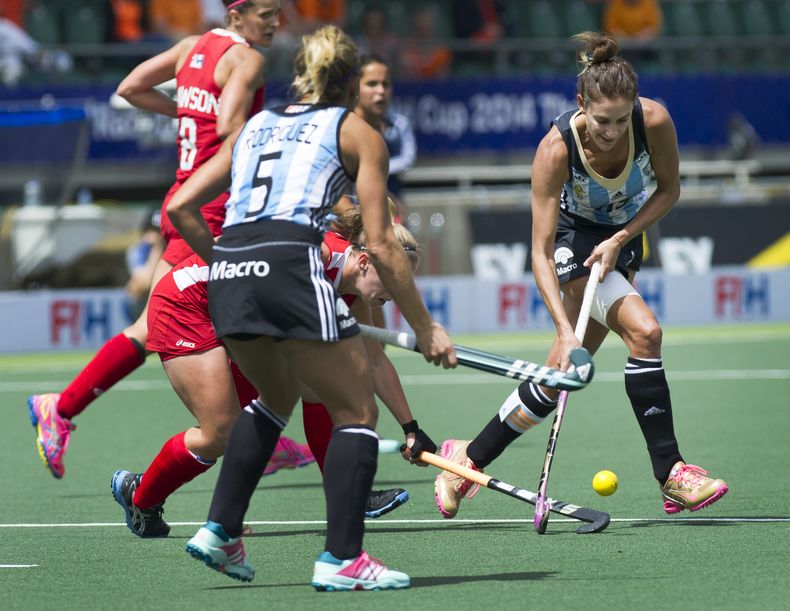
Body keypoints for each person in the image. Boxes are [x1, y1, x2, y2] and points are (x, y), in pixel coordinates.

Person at [167, 25, 455, 590]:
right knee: (354, 412)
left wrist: (229, 261)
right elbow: (382, 243)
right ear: (349, 83)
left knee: (275, 398)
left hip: (228, 270)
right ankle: (343, 559)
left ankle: (221, 531)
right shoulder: (357, 131)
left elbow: (180, 206)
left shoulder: (254, 125)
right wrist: (426, 327)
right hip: (290, 265)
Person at [432, 31, 728, 520]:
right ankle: (671, 473)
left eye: (619, 120)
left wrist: (621, 239)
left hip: (623, 236)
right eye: (600, 120)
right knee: (645, 332)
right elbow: (540, 253)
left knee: (559, 377)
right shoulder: (555, 149)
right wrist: (566, 330)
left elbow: (669, 191)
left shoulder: (653, 121)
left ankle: (465, 461)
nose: (611, 131)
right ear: (579, 104)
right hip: (573, 243)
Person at [26, 0, 280, 480]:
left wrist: (182, 114)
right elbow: (229, 127)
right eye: (265, 13)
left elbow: (129, 87)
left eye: (278, 12)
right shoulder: (247, 59)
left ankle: (62, 408)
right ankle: (61, 407)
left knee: (171, 322)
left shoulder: (191, 48)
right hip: (211, 209)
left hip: (183, 195)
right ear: (236, 14)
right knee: (204, 321)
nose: (274, 22)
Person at [110, 210, 421, 537]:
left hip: (241, 313)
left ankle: (348, 497)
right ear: (364, 263)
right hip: (188, 304)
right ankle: (140, 496)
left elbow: (375, 362)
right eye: (394, 280)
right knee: (221, 432)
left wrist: (411, 427)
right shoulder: (314, 260)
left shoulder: (352, 288)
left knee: (313, 390)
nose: (397, 293)